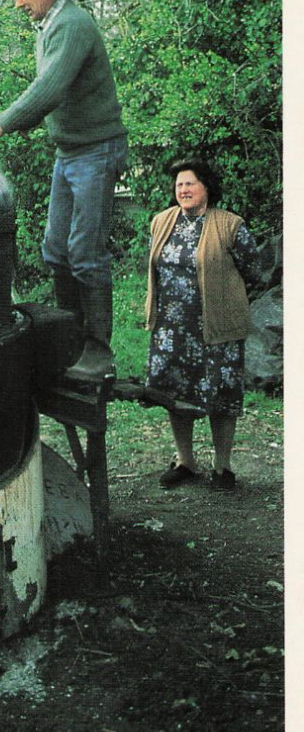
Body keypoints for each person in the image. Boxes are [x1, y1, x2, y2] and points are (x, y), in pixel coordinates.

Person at [0, 0, 128, 381]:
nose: (18, 3)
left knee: (85, 254)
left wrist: (2, 123)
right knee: (56, 250)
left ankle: (99, 350)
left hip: (97, 150)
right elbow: (49, 93)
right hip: (70, 152)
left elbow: (50, 88)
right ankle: (71, 341)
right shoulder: (49, 27)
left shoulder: (72, 25)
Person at [145, 157, 262, 491]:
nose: (183, 189)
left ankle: (222, 467)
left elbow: (254, 272)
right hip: (172, 331)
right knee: (176, 396)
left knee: (221, 396)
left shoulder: (230, 225)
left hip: (216, 329)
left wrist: (227, 301)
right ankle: (185, 461)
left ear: (206, 187)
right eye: (179, 184)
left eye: (190, 183)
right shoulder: (162, 222)